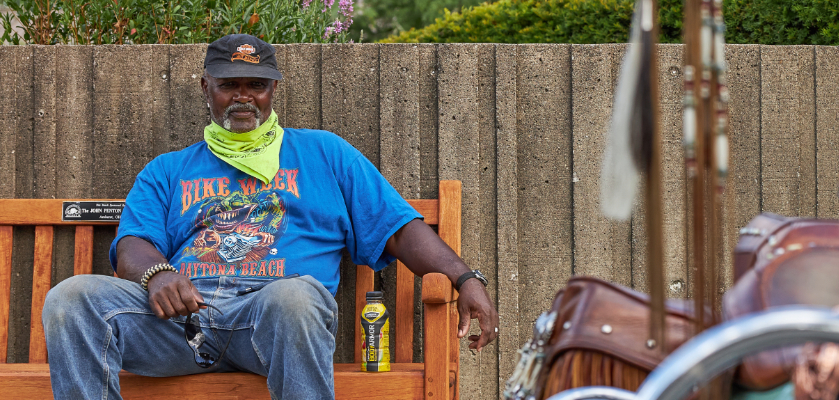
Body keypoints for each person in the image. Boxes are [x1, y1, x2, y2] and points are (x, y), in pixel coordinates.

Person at [41, 33, 499, 399]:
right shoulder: (168, 169)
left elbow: (397, 230)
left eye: (255, 85)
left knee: (296, 297)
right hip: (183, 325)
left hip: (273, 323)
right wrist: (158, 274)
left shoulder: (325, 154)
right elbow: (133, 245)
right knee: (70, 298)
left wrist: (464, 277)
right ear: (207, 88)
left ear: (273, 89)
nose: (243, 98)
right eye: (229, 85)